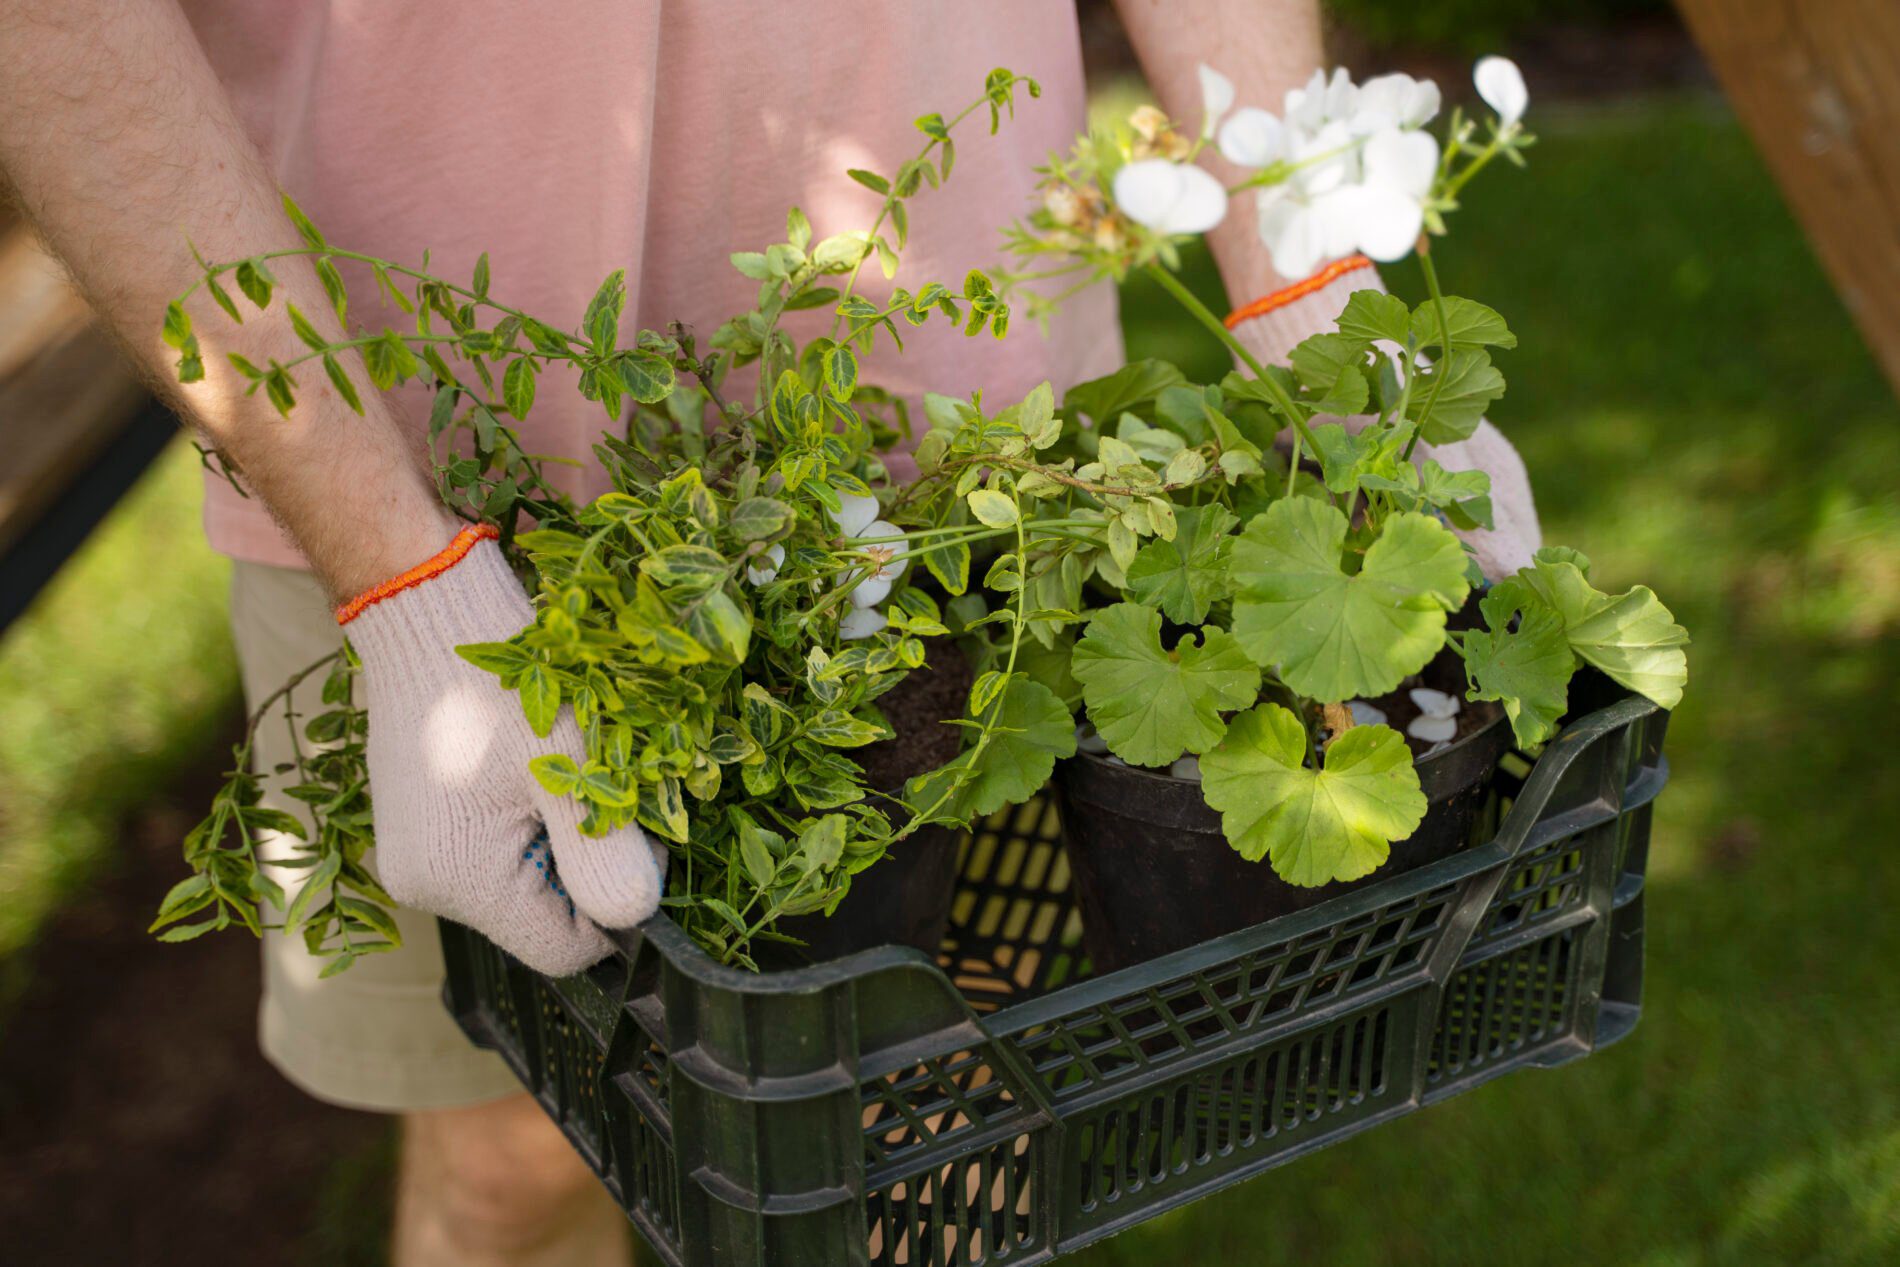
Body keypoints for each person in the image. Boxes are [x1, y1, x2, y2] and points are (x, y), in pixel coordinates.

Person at [0, 2, 1537, 1262]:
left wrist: (1309, 275)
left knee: (925, 1127)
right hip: (397, 443)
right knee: (508, 1169)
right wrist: (401, 590)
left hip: (949, 401)